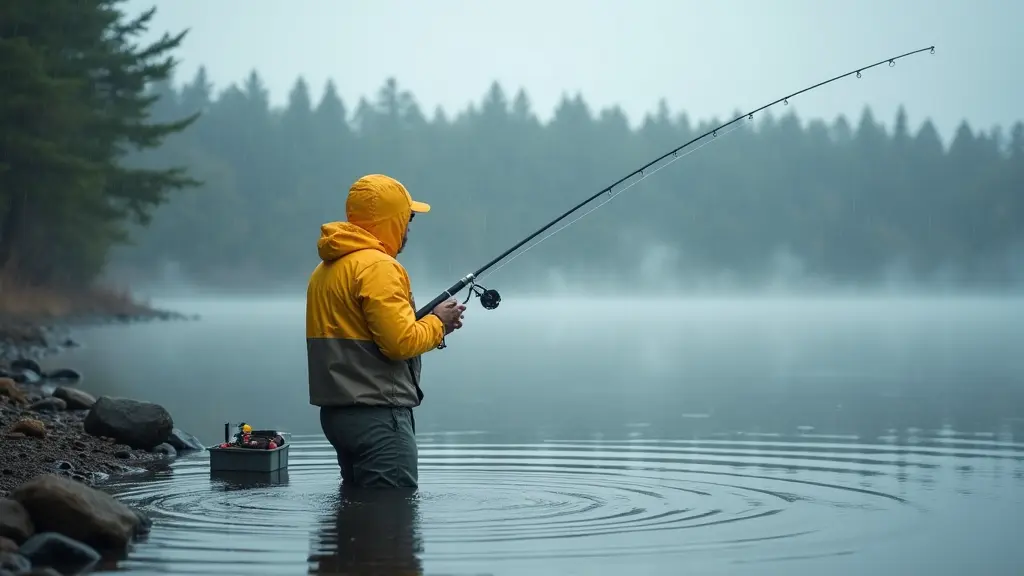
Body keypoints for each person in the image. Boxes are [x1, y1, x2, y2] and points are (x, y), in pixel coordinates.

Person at [306, 173, 465, 489]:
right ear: (392, 220)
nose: (408, 229)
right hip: (377, 417)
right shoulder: (379, 268)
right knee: (391, 518)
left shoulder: (327, 269)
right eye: (407, 219)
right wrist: (439, 324)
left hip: (338, 416)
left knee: (357, 513)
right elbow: (399, 343)